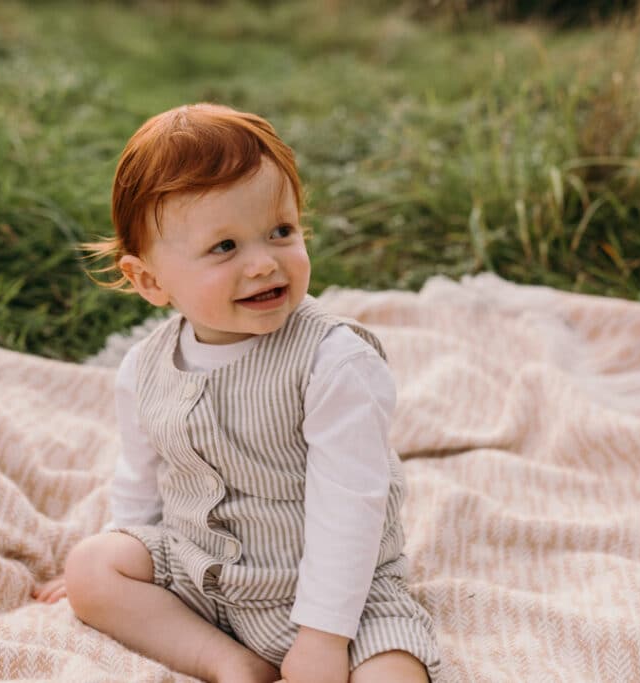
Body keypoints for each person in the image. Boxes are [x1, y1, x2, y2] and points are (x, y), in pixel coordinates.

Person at [32, 103, 441, 683]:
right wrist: (120, 545)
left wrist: (324, 639)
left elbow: (351, 508)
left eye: (281, 232)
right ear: (149, 280)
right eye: (224, 247)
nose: (263, 264)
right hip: (203, 575)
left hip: (341, 595)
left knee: (394, 673)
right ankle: (228, 661)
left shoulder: (334, 360)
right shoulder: (144, 367)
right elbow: (140, 482)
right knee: (92, 568)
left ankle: (332, 650)